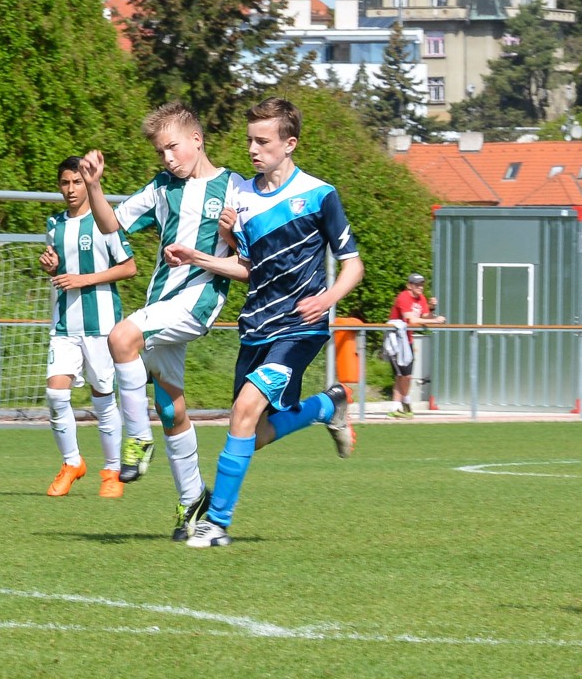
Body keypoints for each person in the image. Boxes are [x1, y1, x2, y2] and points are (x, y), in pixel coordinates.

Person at [159, 98, 359, 548]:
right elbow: (248, 268)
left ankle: (216, 523)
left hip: (300, 328)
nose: (252, 149)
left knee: (244, 411)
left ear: (290, 144)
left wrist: (327, 298)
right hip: (256, 327)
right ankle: (326, 407)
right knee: (253, 431)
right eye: (250, 140)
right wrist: (201, 254)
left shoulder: (319, 194)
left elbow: (353, 265)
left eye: (263, 141)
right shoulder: (241, 197)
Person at [79, 103, 236, 542]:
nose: (167, 158)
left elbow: (249, 254)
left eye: (173, 147)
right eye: (160, 152)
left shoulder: (234, 188)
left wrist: (230, 237)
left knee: (121, 337)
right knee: (171, 408)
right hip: (162, 302)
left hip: (198, 301)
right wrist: (94, 186)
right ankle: (193, 499)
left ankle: (136, 438)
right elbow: (112, 225)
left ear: (197, 140)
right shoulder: (163, 187)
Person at [39, 156, 137, 498]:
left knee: (103, 400)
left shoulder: (104, 221)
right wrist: (51, 267)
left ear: (87, 183)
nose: (70, 189)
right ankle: (72, 463)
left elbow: (129, 267)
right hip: (65, 324)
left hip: (102, 325)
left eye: (77, 182)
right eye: (65, 183)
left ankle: (112, 472)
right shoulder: (54, 224)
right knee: (55, 394)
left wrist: (84, 279)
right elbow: (60, 271)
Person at [384, 274, 444, 415]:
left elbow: (425, 317)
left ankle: (400, 406)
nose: (420, 287)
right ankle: (401, 404)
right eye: (417, 284)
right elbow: (412, 320)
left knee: (406, 375)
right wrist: (435, 321)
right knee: (402, 374)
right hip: (396, 341)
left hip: (408, 340)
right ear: (409, 285)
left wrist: (432, 309)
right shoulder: (403, 297)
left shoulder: (421, 298)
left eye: (422, 284)